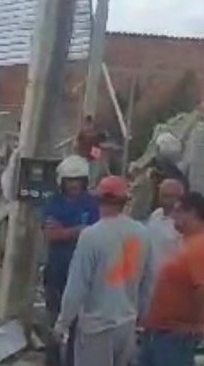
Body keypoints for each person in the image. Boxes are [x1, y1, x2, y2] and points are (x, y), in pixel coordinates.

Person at [55, 176, 154, 366]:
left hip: (97, 327)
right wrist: (142, 317)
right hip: (126, 324)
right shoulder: (142, 233)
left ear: (98, 199)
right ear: (125, 201)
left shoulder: (91, 236)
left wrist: (62, 323)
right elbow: (148, 281)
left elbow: (77, 285)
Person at [139, 192, 204, 366]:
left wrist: (194, 324)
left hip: (174, 337)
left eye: (177, 211)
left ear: (191, 212)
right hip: (160, 331)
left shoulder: (202, 247)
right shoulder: (187, 242)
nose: (172, 217)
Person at [43, 155, 100, 366]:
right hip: (57, 271)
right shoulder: (53, 203)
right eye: (69, 180)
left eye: (78, 179)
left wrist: (65, 230)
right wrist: (77, 230)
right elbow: (51, 235)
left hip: (84, 273)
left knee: (80, 326)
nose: (74, 184)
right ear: (62, 181)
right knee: (53, 321)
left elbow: (95, 233)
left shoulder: (92, 204)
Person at [146, 178, 185, 275]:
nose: (163, 199)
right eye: (162, 195)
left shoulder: (182, 223)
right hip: (150, 276)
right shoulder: (156, 214)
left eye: (168, 196)